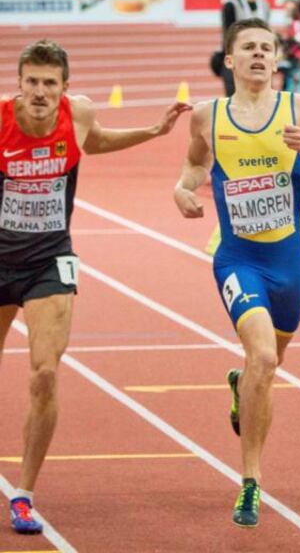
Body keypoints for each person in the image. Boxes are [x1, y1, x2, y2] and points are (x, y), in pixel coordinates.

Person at [1, 40, 190, 535]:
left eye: (50, 83)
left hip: (49, 258)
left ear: (65, 87)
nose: (40, 92)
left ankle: (23, 494)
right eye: (32, 82)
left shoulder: (77, 113)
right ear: (19, 83)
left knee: (45, 373)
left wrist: (153, 130)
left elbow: (96, 140)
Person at [173, 18, 300, 528]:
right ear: (229, 61)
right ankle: (250, 483)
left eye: (266, 48)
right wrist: (182, 191)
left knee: (264, 370)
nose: (257, 55)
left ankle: (241, 384)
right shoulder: (208, 117)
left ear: (277, 60)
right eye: (247, 48)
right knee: (265, 359)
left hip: (289, 265)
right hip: (239, 260)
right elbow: (192, 167)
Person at [218, 0, 270, 97]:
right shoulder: (231, 4)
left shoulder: (265, 5)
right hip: (238, 60)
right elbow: (228, 35)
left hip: (259, 60)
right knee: (235, 99)